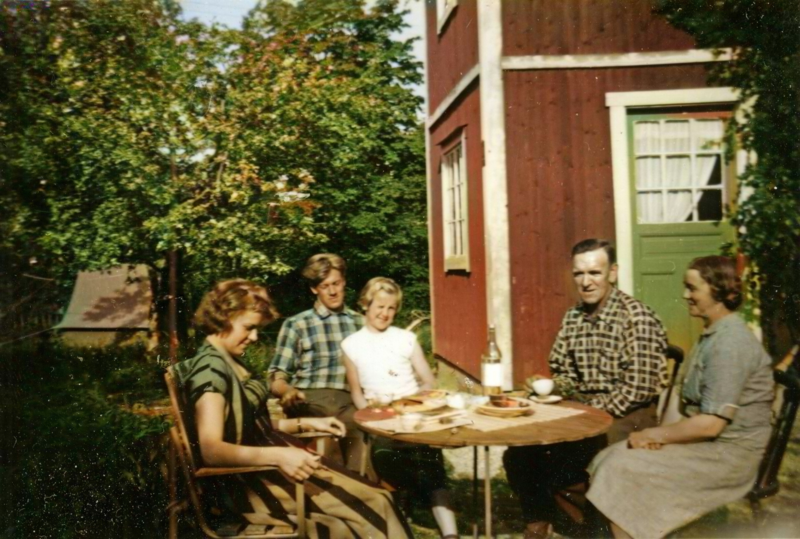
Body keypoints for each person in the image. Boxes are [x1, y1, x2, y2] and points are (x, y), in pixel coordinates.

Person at [174, 279, 412, 538]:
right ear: (224, 317)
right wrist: (279, 456)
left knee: (376, 498)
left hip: (269, 469)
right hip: (251, 483)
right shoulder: (210, 371)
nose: (254, 337)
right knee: (374, 504)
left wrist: (306, 424)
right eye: (249, 328)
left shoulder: (226, 359)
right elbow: (211, 449)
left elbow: (248, 427)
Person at [586, 256, 774, 539]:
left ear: (718, 291)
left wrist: (656, 436)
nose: (685, 296)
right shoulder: (712, 334)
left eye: (692, 288)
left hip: (729, 456)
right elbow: (685, 409)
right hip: (706, 444)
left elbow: (712, 424)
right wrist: (657, 438)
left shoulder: (731, 343)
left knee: (620, 468)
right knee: (609, 457)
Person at [503, 238, 669, 538]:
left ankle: (596, 525)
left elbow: (638, 390)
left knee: (581, 461)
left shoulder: (636, 317)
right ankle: (538, 523)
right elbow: (565, 372)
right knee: (520, 451)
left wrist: (588, 412)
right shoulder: (573, 317)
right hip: (585, 412)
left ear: (613, 273)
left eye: (595, 273)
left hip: (628, 416)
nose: (586, 282)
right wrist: (550, 386)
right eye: (579, 274)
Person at [341, 277, 459, 539]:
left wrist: (415, 403)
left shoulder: (405, 338)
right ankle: (400, 508)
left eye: (391, 308)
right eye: (379, 307)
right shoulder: (351, 345)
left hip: (413, 413)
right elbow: (357, 393)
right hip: (381, 419)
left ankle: (450, 533)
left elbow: (428, 381)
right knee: (385, 456)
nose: (385, 314)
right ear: (365, 305)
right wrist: (371, 416)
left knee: (430, 465)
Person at [267, 253, 366, 472]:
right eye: (325, 285)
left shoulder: (360, 322)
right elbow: (276, 374)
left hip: (351, 398)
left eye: (336, 283)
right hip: (311, 398)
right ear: (314, 289)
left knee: (360, 424)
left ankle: (364, 493)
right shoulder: (297, 324)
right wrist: (286, 390)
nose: (332, 291)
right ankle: (331, 494)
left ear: (344, 282)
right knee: (328, 429)